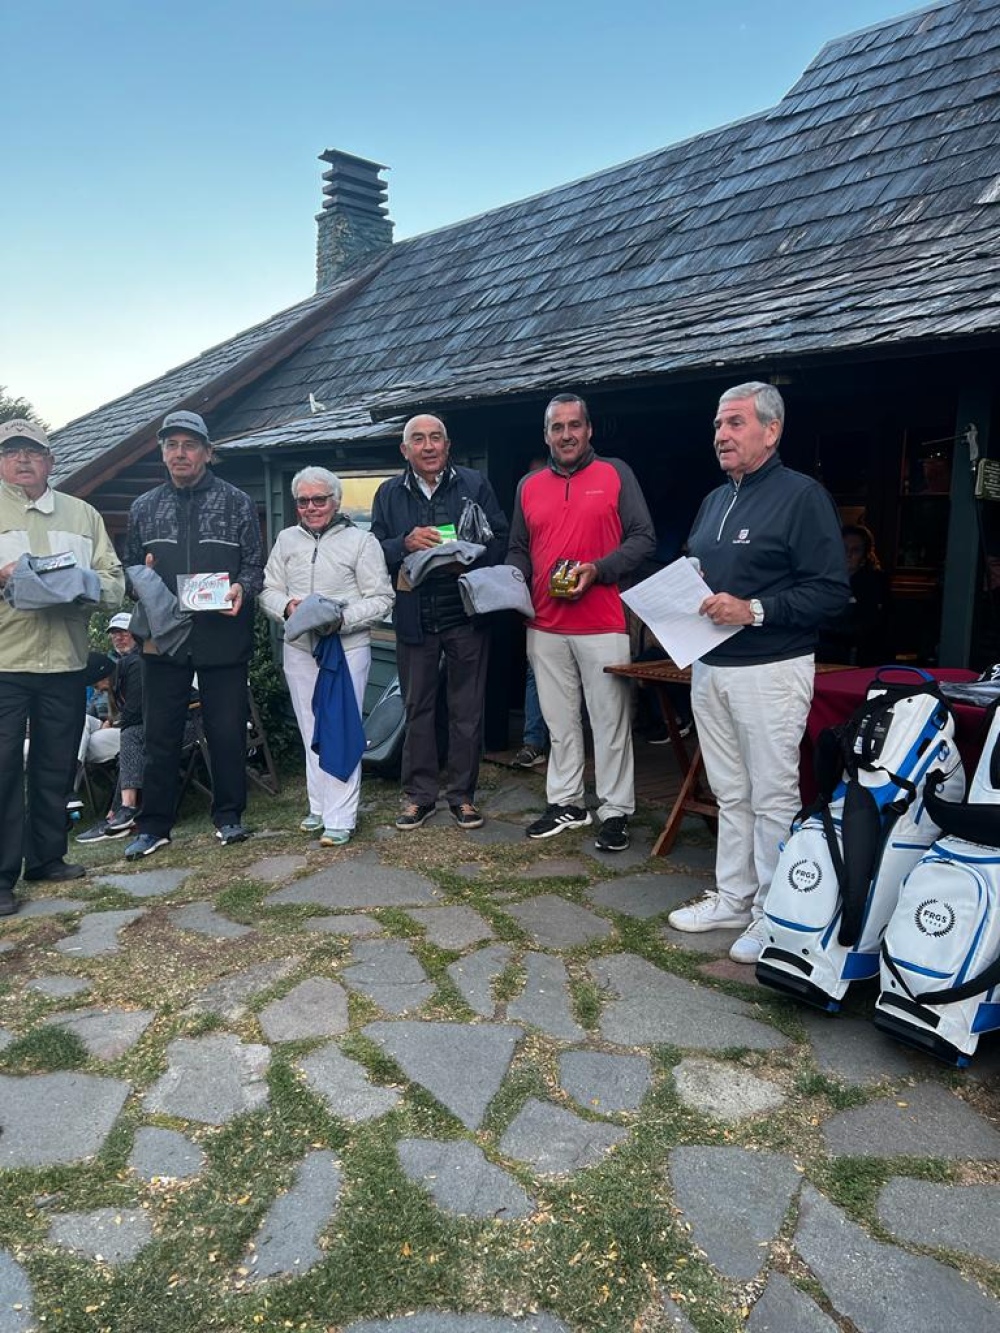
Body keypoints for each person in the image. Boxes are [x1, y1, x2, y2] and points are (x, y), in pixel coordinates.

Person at [667, 382, 850, 963]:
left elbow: (830, 592)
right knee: (728, 790)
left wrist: (755, 610)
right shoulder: (714, 500)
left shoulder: (803, 497)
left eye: (737, 423)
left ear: (771, 431)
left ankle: (774, 914)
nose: (722, 434)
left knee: (772, 795)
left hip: (771, 667)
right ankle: (733, 898)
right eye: (719, 424)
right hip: (710, 664)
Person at [507, 393, 655, 851]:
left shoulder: (615, 473)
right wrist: (513, 582)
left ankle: (615, 810)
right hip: (545, 623)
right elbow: (517, 546)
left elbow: (644, 539)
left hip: (604, 621)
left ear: (589, 430)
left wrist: (600, 569)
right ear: (546, 434)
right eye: (557, 427)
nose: (566, 435)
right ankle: (567, 802)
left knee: (610, 723)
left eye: (575, 425)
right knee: (559, 722)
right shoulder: (528, 485)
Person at [122, 410, 264, 859]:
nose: (180, 453)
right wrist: (136, 578)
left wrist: (244, 587)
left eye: (189, 445)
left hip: (222, 632)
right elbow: (126, 572)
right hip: (163, 636)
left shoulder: (237, 501)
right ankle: (154, 826)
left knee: (226, 731)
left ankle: (229, 818)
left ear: (207, 452)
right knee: (160, 734)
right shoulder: (143, 507)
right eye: (171, 445)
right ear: (162, 454)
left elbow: (255, 565)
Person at [0, 418, 124, 913]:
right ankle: (2, 877)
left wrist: (86, 586)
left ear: (51, 461)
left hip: (66, 662)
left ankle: (48, 858)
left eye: (33, 452)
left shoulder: (82, 514)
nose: (23, 460)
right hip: (5, 663)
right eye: (12, 452)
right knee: (4, 770)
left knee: (56, 764)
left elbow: (114, 580)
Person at [371, 413, 508, 830]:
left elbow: (500, 537)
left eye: (435, 438)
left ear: (448, 446)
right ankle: (419, 796)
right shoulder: (389, 493)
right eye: (418, 439)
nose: (428, 446)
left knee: (466, 710)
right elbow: (372, 549)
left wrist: (465, 556)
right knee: (418, 709)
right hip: (415, 616)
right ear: (404, 449)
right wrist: (404, 543)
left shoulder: (473, 484)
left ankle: (463, 796)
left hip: (465, 613)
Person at [261, 467, 394, 845]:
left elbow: (383, 599)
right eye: (303, 501)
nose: (311, 507)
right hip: (300, 646)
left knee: (340, 726)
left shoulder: (360, 542)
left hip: (345, 648)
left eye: (319, 499)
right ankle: (319, 805)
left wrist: (341, 620)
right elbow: (268, 589)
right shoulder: (286, 540)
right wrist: (288, 607)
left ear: (335, 501)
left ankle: (342, 816)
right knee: (309, 727)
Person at [75, 612, 147, 840]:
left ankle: (117, 813)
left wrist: (113, 721)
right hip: (116, 729)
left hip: (141, 728)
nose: (119, 638)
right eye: (114, 634)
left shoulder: (138, 663)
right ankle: (70, 773)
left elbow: (135, 714)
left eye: (123, 632)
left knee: (130, 736)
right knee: (83, 720)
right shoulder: (113, 668)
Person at [817, 524, 893, 665]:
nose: (848, 555)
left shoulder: (874, 583)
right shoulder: (822, 579)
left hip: (858, 657)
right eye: (844, 549)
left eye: (855, 550)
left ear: (865, 555)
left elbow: (868, 626)